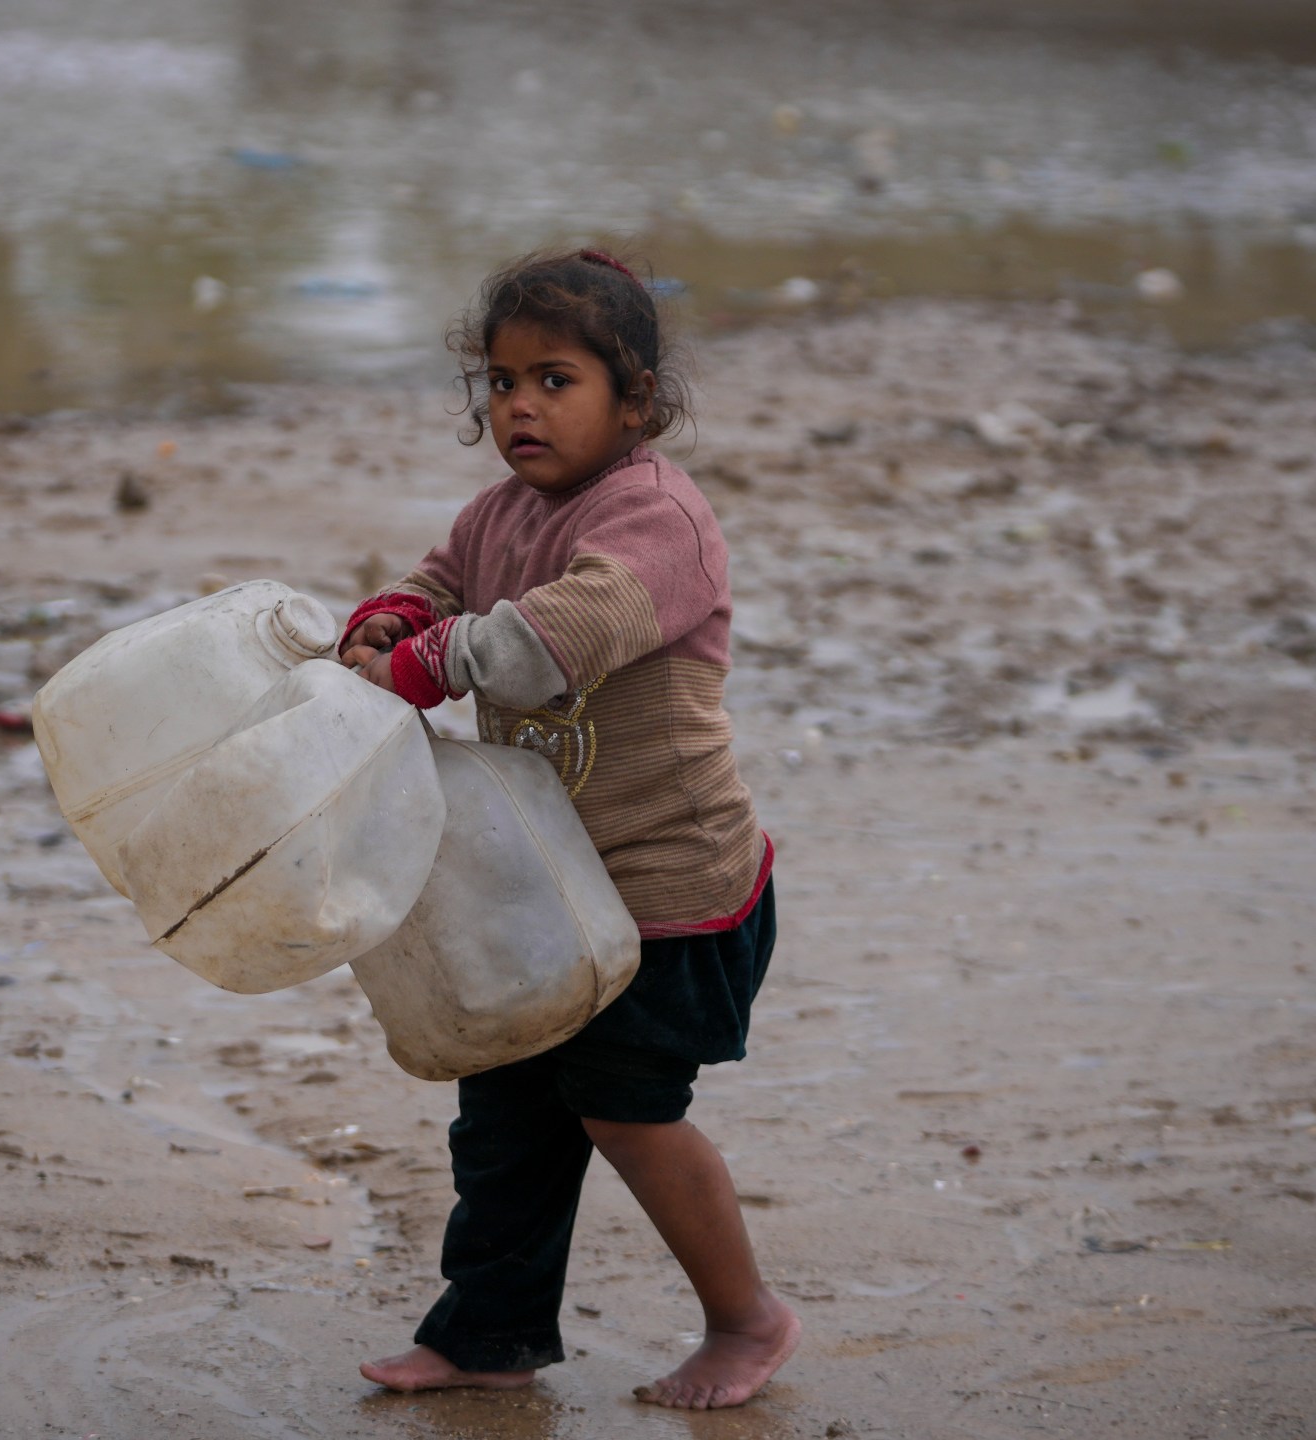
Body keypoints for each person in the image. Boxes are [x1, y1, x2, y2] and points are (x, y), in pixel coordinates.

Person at [342, 248, 796, 1410]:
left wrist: (422, 664)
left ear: (634, 399)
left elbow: (548, 645)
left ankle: (746, 1321)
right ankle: (486, 1332)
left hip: (671, 890)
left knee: (626, 1115)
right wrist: (392, 619)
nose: (519, 407)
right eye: (499, 383)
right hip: (546, 886)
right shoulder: (498, 514)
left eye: (554, 380)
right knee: (504, 1118)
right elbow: (444, 584)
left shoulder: (657, 520)